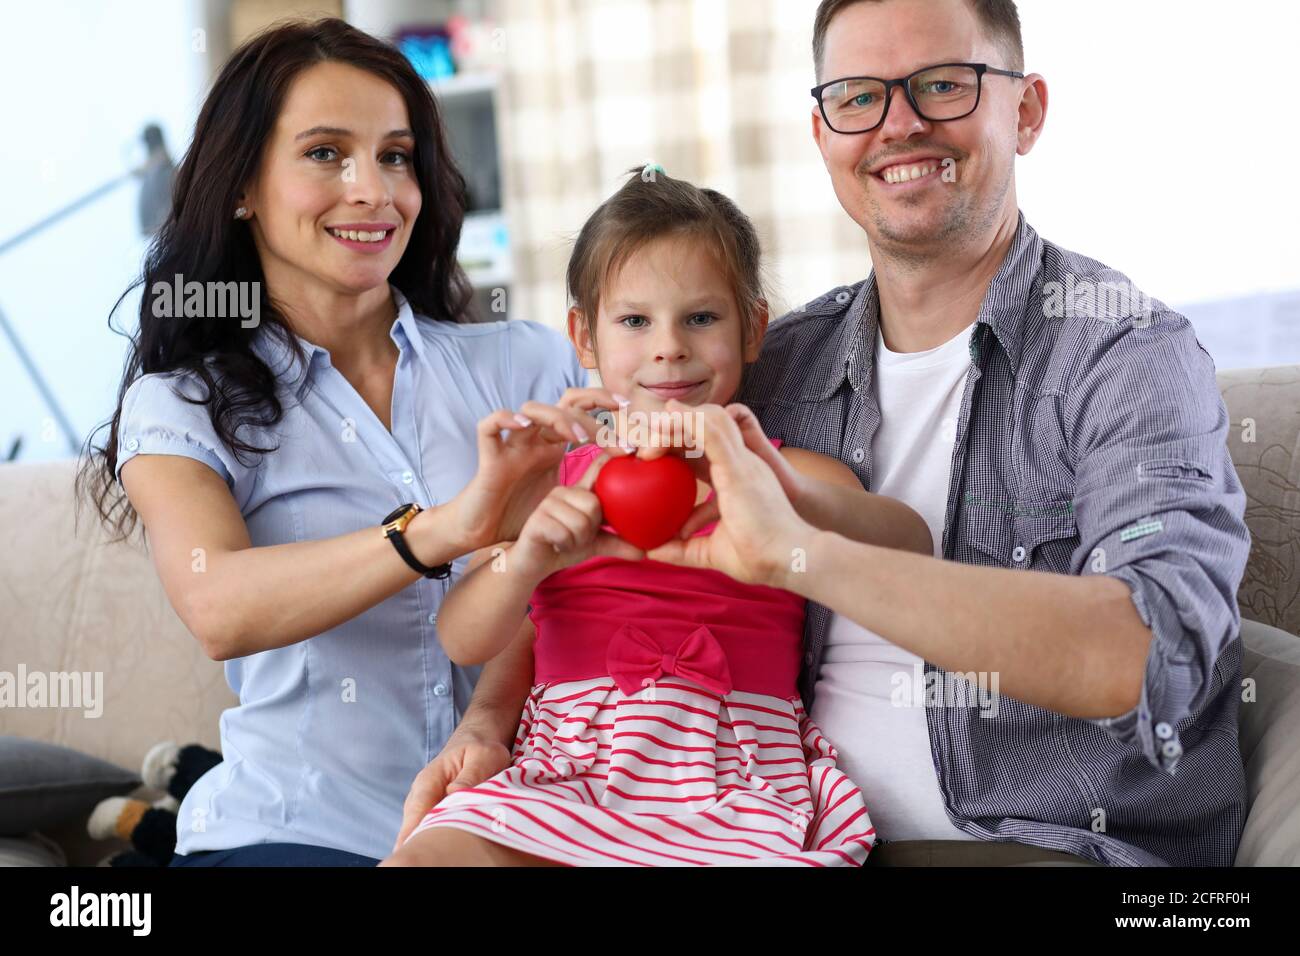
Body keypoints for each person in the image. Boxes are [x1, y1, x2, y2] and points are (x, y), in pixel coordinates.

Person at [659, 0, 1251, 867]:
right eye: (859, 97)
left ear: (1027, 110)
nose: (899, 126)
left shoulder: (1124, 352)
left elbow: (1148, 651)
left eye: (944, 85)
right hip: (786, 840)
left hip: (1053, 849)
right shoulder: (772, 370)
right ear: (823, 134)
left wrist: (804, 554)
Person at [79, 18, 616, 867]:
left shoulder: (529, 360)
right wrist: (445, 528)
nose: (372, 189)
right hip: (294, 829)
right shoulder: (180, 404)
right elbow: (218, 605)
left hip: (513, 822)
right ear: (242, 186)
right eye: (325, 153)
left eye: (395, 156)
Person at [382, 168, 934, 865]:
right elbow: (463, 638)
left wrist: (779, 487)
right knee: (427, 855)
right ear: (584, 338)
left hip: (734, 770)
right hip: (568, 766)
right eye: (635, 321)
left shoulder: (783, 473)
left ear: (753, 328)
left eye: (701, 318)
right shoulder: (554, 476)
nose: (669, 346)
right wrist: (524, 560)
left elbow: (910, 542)